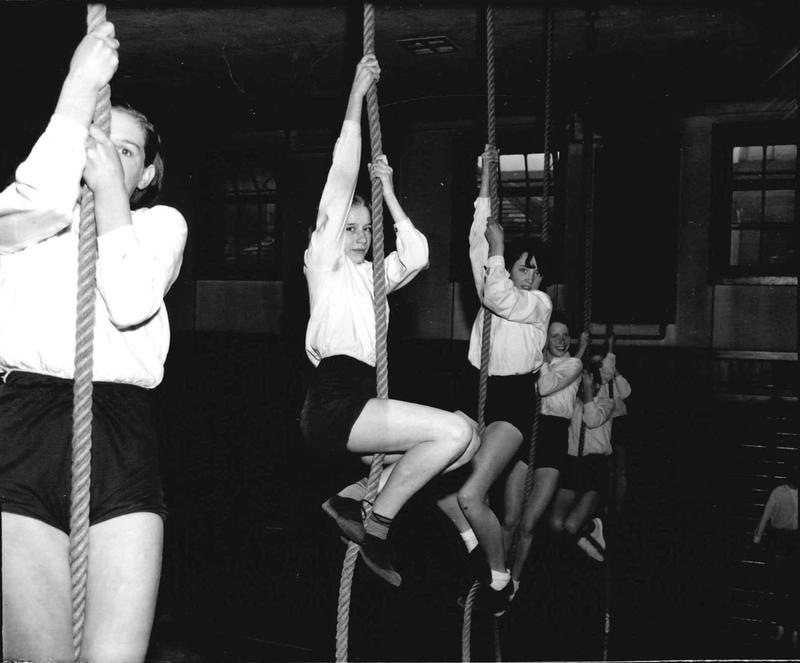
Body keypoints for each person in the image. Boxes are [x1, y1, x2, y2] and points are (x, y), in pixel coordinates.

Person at [0, 21, 187, 663]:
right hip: (26, 430)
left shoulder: (159, 226)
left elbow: (132, 299)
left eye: (127, 152)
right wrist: (78, 92)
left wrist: (111, 196)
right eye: (95, 144)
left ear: (149, 174)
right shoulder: (24, 223)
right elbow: (36, 198)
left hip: (122, 436)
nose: (105, 155)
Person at [300, 54, 479, 588]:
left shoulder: (371, 277)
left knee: (465, 436)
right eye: (350, 227)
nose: (358, 236)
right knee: (449, 432)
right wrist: (355, 97)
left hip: (359, 397)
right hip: (334, 397)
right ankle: (373, 520)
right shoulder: (325, 264)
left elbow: (419, 255)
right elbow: (340, 175)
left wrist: (392, 195)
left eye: (363, 228)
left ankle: (360, 500)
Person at [436, 145, 552, 617]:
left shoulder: (537, 304)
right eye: (522, 265)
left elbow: (502, 295)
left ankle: (500, 578)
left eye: (533, 267)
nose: (528, 273)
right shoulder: (496, 280)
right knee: (440, 490)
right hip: (477, 390)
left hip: (513, 403)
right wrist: (486, 178)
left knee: (468, 493)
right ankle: (471, 541)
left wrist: (502, 253)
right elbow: (477, 242)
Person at [502, 318, 589, 600]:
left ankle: (515, 581)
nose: (561, 340)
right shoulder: (538, 362)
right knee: (510, 519)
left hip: (552, 442)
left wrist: (542, 358)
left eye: (566, 335)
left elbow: (545, 386)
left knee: (528, 525)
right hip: (530, 434)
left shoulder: (574, 365)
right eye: (555, 335)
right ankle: (498, 576)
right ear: (546, 339)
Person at [550, 341, 631, 563]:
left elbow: (592, 419)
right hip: (572, 464)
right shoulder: (572, 405)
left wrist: (589, 391)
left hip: (595, 467)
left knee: (570, 525)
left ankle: (592, 524)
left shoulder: (607, 402)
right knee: (556, 525)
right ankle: (590, 527)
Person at [753, 467, 799, 646]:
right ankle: (782, 627)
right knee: (780, 585)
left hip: (794, 541)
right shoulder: (778, 492)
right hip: (780, 540)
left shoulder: (779, 492)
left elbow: (766, 515)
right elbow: (766, 514)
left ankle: (793, 629)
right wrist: (758, 535)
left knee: (791, 587)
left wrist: (758, 536)